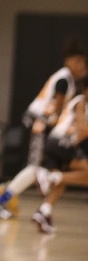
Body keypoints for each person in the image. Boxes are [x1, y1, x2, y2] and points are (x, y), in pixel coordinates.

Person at [0, 41, 87, 219]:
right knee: (35, 168)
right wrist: (57, 123)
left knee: (37, 168)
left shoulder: (68, 79)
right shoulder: (64, 78)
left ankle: (8, 195)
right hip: (39, 122)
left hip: (42, 124)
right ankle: (1, 200)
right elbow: (58, 104)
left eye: (83, 62)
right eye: (78, 62)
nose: (81, 66)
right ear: (69, 61)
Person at [29, 91, 88, 235]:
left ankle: (44, 212)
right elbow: (83, 129)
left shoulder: (78, 101)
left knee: (61, 183)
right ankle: (49, 177)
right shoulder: (81, 102)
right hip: (62, 142)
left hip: (55, 141)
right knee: (79, 175)